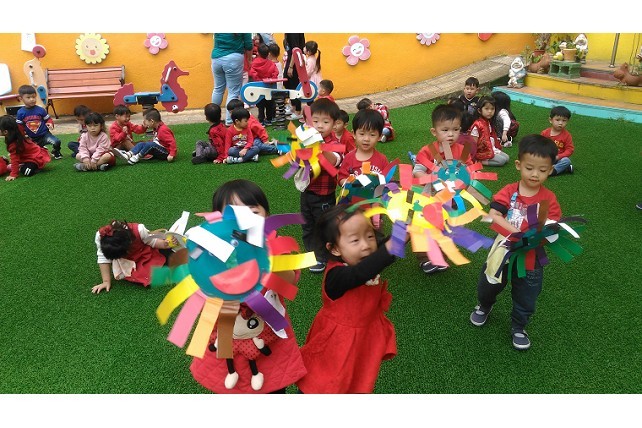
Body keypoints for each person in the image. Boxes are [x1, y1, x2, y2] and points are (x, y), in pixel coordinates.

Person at [189, 179, 307, 394]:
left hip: (267, 340)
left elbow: (289, 282)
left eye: (253, 213)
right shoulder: (214, 250)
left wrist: (265, 255)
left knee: (272, 388)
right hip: (225, 333)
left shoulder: (273, 246)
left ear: (267, 217)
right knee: (228, 383)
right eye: (233, 215)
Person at [469, 134, 561, 350]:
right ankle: (484, 305)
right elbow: (494, 215)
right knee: (488, 284)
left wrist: (541, 236)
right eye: (529, 168)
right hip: (502, 250)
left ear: (550, 170)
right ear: (519, 165)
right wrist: (518, 234)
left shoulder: (549, 199)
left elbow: (553, 228)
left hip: (531, 258)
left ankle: (519, 326)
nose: (535, 174)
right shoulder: (509, 191)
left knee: (527, 295)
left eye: (542, 170)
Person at [296, 204, 398, 393]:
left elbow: (381, 255)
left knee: (355, 381)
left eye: (370, 236)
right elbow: (362, 272)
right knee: (324, 382)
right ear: (334, 249)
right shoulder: (337, 276)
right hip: (336, 344)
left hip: (362, 340)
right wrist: (398, 239)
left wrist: (405, 230)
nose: (366, 245)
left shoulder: (365, 259)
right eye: (355, 240)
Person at [412, 104, 472, 274]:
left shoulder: (462, 151)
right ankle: (424, 258)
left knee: (446, 226)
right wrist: (434, 180)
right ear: (434, 131)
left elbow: (469, 172)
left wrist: (465, 180)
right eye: (445, 130)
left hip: (451, 199)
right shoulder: (428, 151)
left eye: (455, 129)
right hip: (429, 198)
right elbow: (417, 171)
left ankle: (440, 255)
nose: (451, 134)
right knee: (425, 227)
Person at [300, 98, 343, 273]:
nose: (319, 126)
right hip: (307, 191)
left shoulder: (335, 144)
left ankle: (322, 257)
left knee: (323, 226)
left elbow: (334, 160)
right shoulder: (307, 140)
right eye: (315, 121)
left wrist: (319, 146)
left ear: (334, 124)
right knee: (307, 224)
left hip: (324, 194)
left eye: (325, 122)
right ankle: (312, 254)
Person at [91, 220, 177, 293]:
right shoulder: (100, 237)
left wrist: (165, 244)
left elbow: (152, 242)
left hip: (143, 253)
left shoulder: (139, 230)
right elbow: (103, 258)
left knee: (168, 260)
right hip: (126, 261)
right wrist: (106, 281)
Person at [211, 33, 254, 126]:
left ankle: (213, 120)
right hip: (234, 58)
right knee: (233, 92)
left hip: (216, 58)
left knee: (218, 89)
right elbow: (249, 45)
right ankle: (229, 121)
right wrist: (249, 60)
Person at [337, 109, 389, 186]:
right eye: (362, 134)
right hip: (353, 193)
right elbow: (341, 178)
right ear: (354, 134)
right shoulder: (348, 158)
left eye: (372, 135)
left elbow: (388, 180)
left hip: (376, 194)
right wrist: (350, 184)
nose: (366, 139)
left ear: (379, 137)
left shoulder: (382, 159)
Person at [15, 85, 62, 159]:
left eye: (34, 97)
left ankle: (55, 151)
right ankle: (41, 148)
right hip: (32, 138)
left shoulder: (40, 110)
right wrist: (22, 136)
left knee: (56, 142)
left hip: (45, 135)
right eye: (28, 97)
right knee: (33, 154)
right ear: (21, 98)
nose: (32, 99)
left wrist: (50, 123)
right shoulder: (20, 112)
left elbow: (48, 119)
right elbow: (19, 126)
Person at [0, 115, 51, 181]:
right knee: (16, 161)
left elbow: (15, 159)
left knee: (27, 171)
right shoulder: (14, 133)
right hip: (27, 156)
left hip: (34, 157)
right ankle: (9, 163)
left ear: (5, 132)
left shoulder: (14, 143)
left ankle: (18, 166)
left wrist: (13, 174)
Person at [470, 96, 510, 166]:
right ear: (479, 110)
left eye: (492, 109)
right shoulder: (477, 125)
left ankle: (490, 156)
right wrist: (472, 158)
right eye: (486, 109)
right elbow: (472, 143)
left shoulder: (488, 122)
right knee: (502, 161)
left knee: (507, 158)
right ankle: (479, 161)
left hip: (490, 148)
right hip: (481, 152)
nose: (490, 111)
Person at [248, 43, 279, 125]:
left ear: (258, 52)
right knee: (269, 103)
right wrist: (271, 80)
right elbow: (276, 72)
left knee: (260, 105)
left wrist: (258, 80)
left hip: (259, 87)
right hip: (269, 87)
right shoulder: (271, 63)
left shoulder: (255, 62)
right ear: (268, 53)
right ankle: (269, 119)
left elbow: (252, 72)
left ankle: (261, 120)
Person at [540, 105, 574, 176]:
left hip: (559, 158)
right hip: (546, 157)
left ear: (567, 121)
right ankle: (565, 168)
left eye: (564, 120)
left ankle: (553, 171)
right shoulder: (545, 133)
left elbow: (570, 149)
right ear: (550, 120)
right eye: (557, 120)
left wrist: (559, 156)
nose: (560, 123)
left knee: (566, 161)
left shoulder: (567, 135)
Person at [283, 33, 306, 120]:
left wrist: (291, 67)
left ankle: (298, 111)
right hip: (291, 59)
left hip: (294, 61)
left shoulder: (294, 33)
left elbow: (296, 50)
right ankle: (293, 107)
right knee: (287, 83)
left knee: (294, 86)